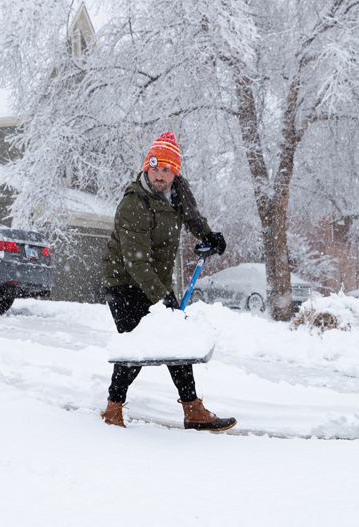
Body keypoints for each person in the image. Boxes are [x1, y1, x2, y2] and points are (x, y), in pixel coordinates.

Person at [100, 131, 236, 431]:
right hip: (123, 281)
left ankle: (193, 411)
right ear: (147, 167)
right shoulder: (134, 204)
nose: (160, 176)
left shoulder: (177, 195)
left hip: (152, 281)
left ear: (175, 173)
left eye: (167, 170)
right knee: (137, 346)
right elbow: (136, 262)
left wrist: (209, 236)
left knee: (176, 341)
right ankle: (112, 410)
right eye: (156, 168)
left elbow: (193, 218)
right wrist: (162, 298)